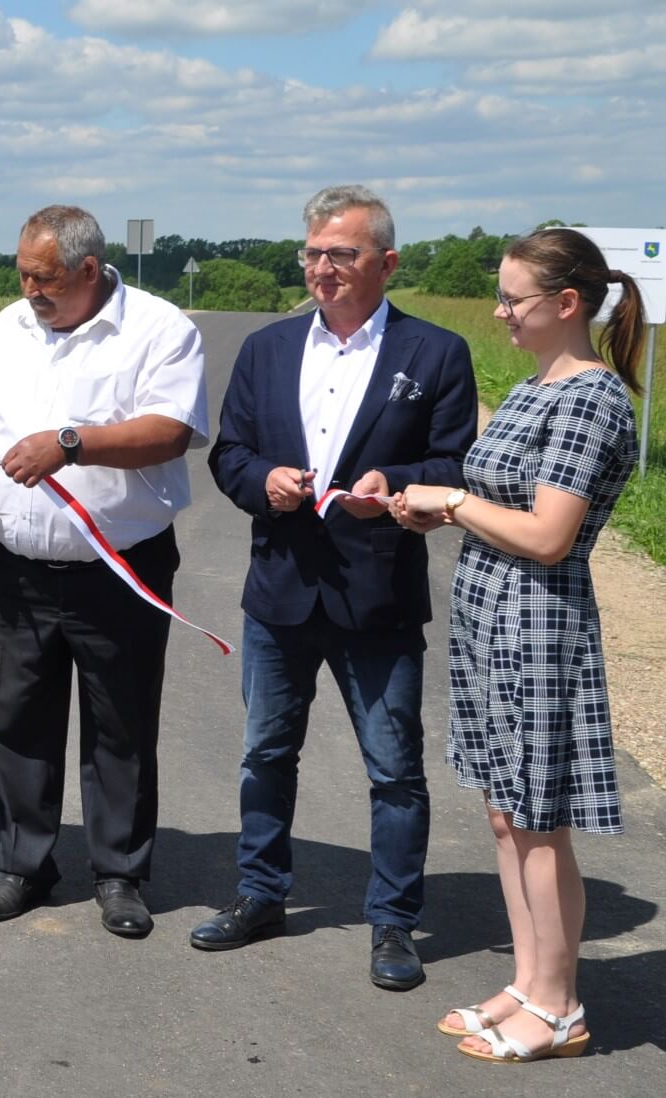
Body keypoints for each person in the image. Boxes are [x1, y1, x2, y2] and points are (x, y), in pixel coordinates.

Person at [193, 185, 478, 991]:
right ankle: (260, 895)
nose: (323, 269)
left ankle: (393, 923)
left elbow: (458, 463)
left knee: (393, 771)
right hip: (280, 589)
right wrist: (265, 481)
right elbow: (230, 454)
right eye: (313, 253)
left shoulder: (435, 354)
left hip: (376, 593)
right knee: (264, 755)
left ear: (385, 262)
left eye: (342, 255)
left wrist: (399, 479)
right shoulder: (268, 350)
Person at [391, 228, 642, 1063]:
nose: (499, 312)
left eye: (512, 299)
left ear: (565, 305)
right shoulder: (538, 387)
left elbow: (549, 536)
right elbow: (506, 506)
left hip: (538, 622)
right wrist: (438, 503)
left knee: (538, 823)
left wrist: (453, 504)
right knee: (506, 817)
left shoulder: (591, 398)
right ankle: (531, 983)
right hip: (490, 616)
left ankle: (562, 1007)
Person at [0, 205, 208, 937]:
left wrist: (71, 443)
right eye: (23, 274)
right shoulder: (7, 327)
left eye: (46, 278)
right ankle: (23, 864)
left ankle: (120, 873)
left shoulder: (158, 329)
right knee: (17, 719)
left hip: (118, 568)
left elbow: (171, 430)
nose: (31, 289)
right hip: (14, 567)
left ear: (90, 271)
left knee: (118, 725)